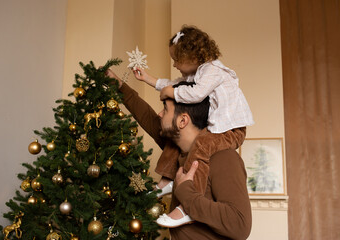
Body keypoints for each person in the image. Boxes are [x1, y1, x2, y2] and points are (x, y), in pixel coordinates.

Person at [131, 25, 254, 226]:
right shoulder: (197, 74)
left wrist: (171, 93)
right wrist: (148, 79)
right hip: (218, 128)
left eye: (177, 60)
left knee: (201, 146)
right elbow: (177, 84)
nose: (174, 65)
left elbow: (194, 94)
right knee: (177, 143)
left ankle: (189, 203)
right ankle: (167, 180)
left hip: (231, 130)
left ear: (193, 57)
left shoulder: (213, 71)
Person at [105, 73, 252, 239]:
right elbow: (147, 117)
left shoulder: (223, 157)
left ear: (183, 121)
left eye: (166, 109)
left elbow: (240, 225)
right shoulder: (175, 150)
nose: (160, 115)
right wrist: (119, 85)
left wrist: (186, 193)